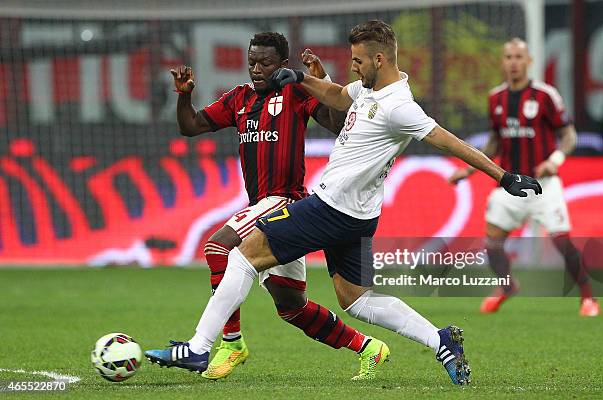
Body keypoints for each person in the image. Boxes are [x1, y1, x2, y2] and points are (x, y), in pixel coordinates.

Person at [151, 21, 542, 386]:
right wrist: (301, 78)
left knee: (242, 254)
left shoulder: (399, 106)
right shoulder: (369, 89)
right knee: (355, 299)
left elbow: (446, 140)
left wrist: (503, 176)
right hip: (359, 215)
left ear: (379, 59)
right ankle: (439, 339)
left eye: (357, 60)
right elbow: (338, 94)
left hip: (331, 208)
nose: (352, 67)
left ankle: (201, 347)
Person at [145, 32, 391, 381]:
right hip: (263, 207)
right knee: (292, 308)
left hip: (285, 200)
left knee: (218, 246)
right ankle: (369, 348)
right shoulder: (239, 99)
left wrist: (322, 81)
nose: (257, 69)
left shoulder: (295, 92)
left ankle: (228, 344)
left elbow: (338, 125)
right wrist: (184, 97)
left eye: (265, 63)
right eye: (251, 62)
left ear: (283, 65)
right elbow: (191, 126)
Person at [448, 38, 600, 317]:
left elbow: (568, 134)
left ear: (528, 61)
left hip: (544, 185)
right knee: (492, 245)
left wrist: (554, 161)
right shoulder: (496, 98)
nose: (514, 62)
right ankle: (507, 287)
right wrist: (469, 169)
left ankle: (588, 298)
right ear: (502, 62)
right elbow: (495, 141)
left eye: (519, 56)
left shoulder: (545, 95)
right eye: (508, 57)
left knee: (562, 243)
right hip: (510, 185)